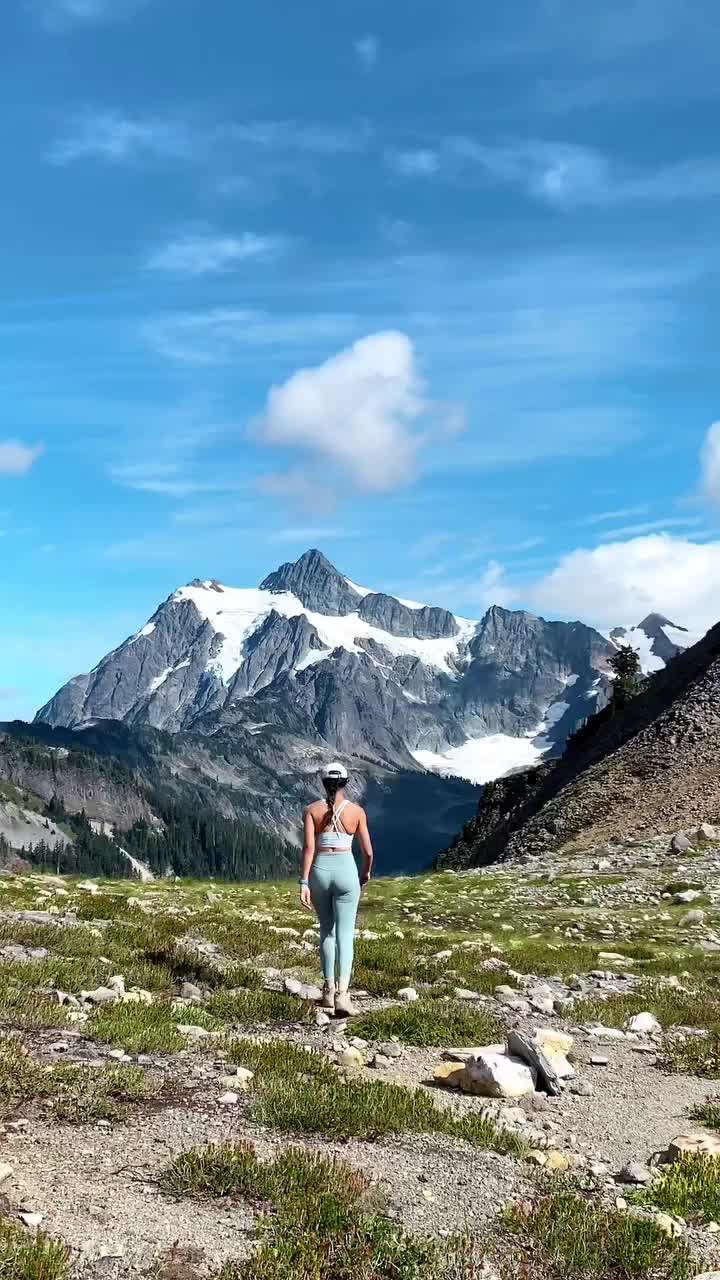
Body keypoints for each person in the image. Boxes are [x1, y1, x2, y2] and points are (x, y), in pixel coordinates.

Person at [299, 762, 374, 1017]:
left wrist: (304, 882)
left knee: (326, 933)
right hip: (346, 872)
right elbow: (368, 852)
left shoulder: (312, 810)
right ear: (345, 782)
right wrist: (365, 873)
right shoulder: (357, 812)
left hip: (320, 871)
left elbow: (308, 849)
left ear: (323, 783)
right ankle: (344, 994)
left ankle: (328, 991)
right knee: (345, 935)